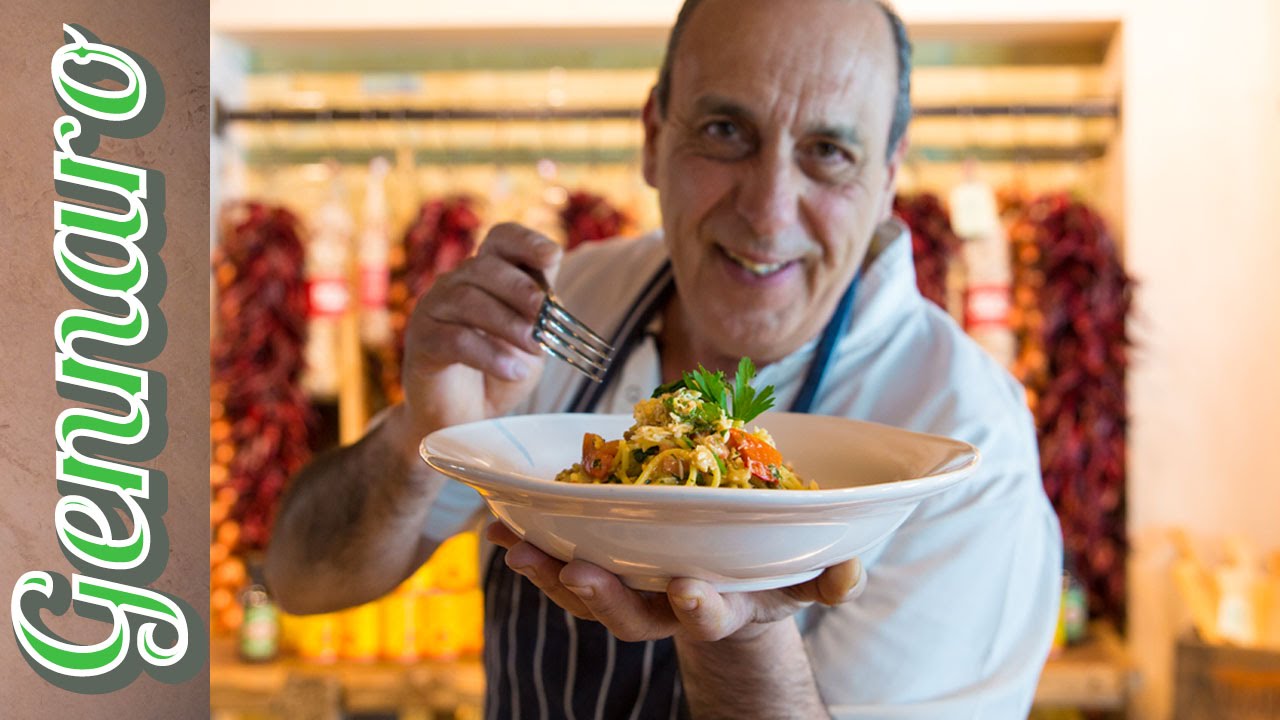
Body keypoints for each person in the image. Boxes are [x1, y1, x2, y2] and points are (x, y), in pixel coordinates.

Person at [266, 0, 1063, 717]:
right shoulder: (573, 301)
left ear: (888, 177)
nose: (767, 212)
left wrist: (740, 630)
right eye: (725, 132)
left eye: (828, 150)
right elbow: (303, 582)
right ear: (653, 138)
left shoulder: (961, 434)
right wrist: (420, 434)